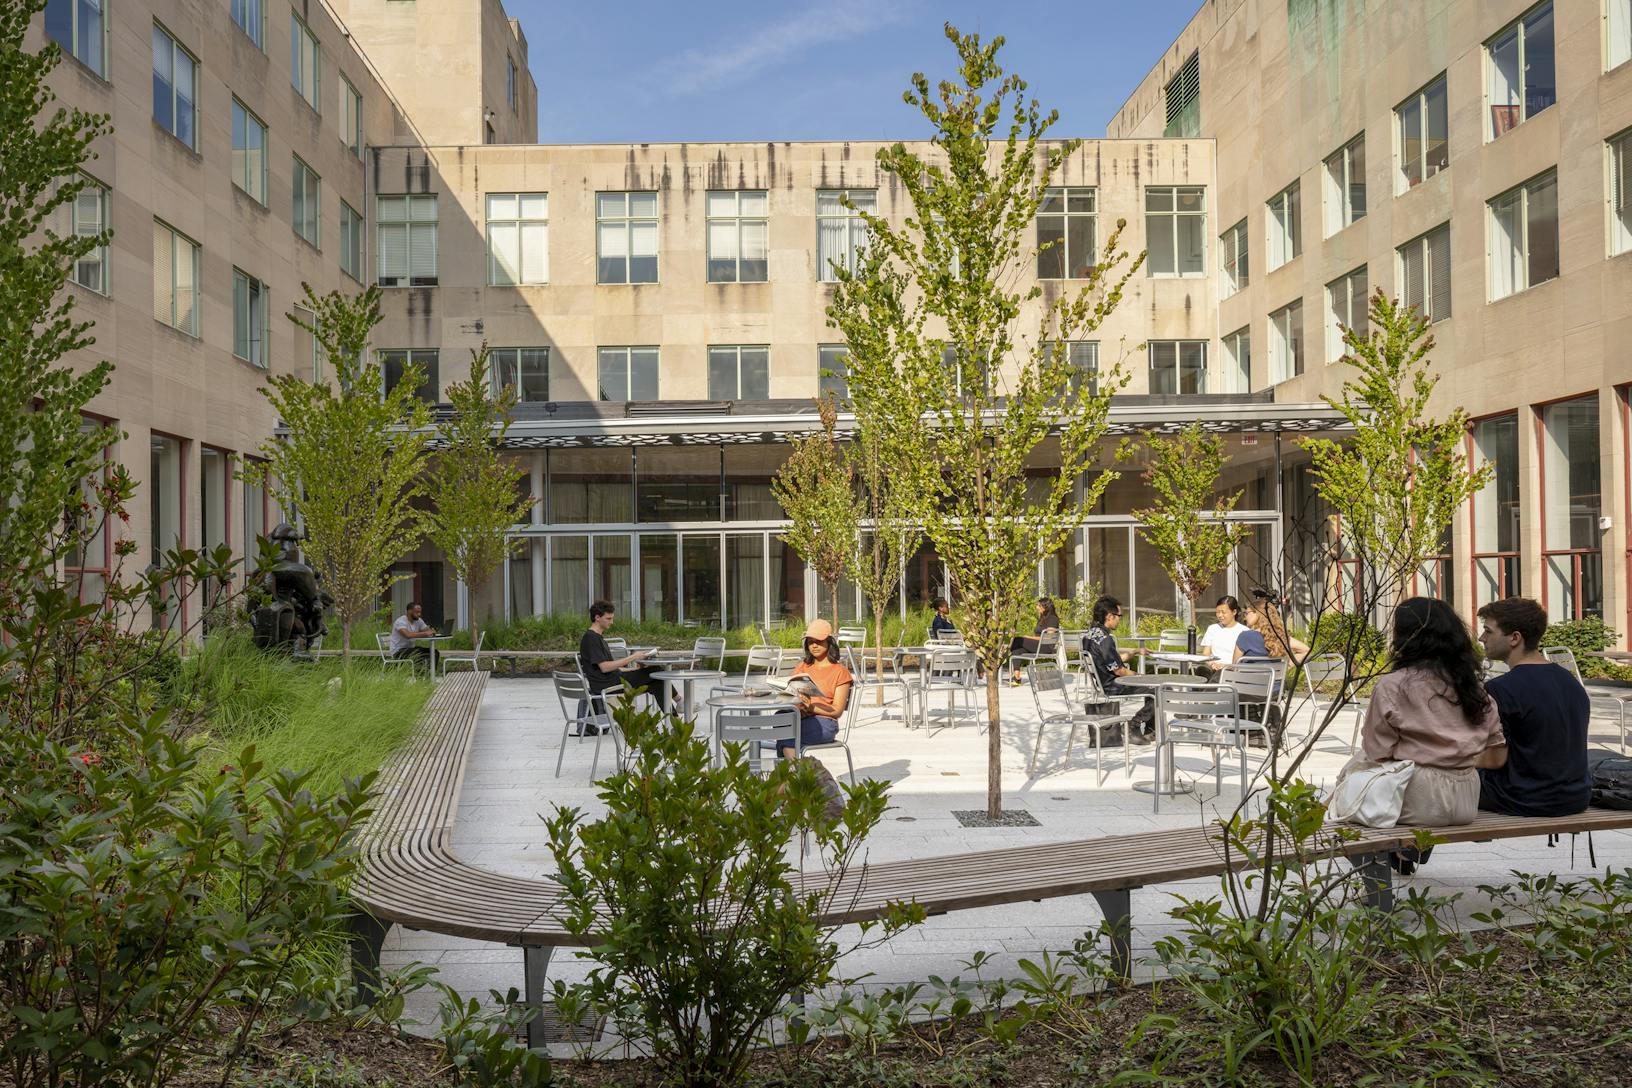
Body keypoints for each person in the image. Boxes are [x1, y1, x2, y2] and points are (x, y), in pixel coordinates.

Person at [1344, 597, 1506, 860]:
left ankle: (1377, 881)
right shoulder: (1473, 688)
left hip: (1422, 799)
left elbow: (1377, 751)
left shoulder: (1394, 686)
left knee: (1353, 783)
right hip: (1466, 797)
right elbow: (1494, 743)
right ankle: (1405, 854)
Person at [1475, 596, 1592, 817]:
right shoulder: (1570, 682)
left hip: (1521, 798)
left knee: (1433, 780)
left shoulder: (1500, 689)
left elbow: (1494, 759)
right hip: (1575, 797)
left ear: (1515, 638)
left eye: (1488, 631)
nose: (1481, 638)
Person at [577, 600, 667, 731]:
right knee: (656, 671)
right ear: (597, 617)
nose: (611, 622)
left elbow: (612, 667)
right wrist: (632, 657)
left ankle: (674, 721)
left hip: (612, 679)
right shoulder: (591, 638)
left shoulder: (597, 637)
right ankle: (680, 702)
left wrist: (634, 669)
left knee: (657, 682)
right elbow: (605, 667)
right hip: (607, 685)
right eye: (608, 618)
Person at [1081, 595, 1155, 743]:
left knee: (1152, 686)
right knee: (1156, 689)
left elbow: (1109, 661)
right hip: (1113, 685)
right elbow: (1119, 671)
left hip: (1102, 683)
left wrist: (1134, 652)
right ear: (1109, 616)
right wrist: (1140, 676)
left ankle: (1150, 731)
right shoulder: (1105, 639)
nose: (1120, 619)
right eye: (1119, 616)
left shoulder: (1090, 635)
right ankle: (1134, 726)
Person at [785, 619, 852, 759]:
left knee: (788, 737)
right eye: (810, 642)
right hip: (800, 717)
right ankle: (793, 774)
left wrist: (810, 707)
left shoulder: (840, 672)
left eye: (819, 641)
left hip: (825, 723)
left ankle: (792, 777)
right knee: (780, 720)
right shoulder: (803, 667)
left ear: (829, 642)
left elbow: (837, 710)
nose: (814, 645)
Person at [1009, 596, 1063, 685]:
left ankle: (1001, 657)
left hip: (1046, 647)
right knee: (1017, 650)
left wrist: (1029, 638)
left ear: (1045, 607)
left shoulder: (1053, 619)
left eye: (1039, 605)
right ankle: (1017, 677)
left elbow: (1048, 638)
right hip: (1038, 645)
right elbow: (1037, 635)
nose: (1037, 607)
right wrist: (1030, 638)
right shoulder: (1042, 619)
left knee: (1017, 640)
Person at [1197, 595, 1248, 677]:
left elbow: (1245, 658)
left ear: (1234, 612)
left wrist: (1225, 666)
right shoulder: (1212, 629)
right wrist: (1212, 664)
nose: (1220, 615)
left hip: (1233, 670)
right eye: (1217, 612)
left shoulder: (1244, 631)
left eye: (1223, 612)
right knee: (1202, 670)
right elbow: (1206, 653)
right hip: (1212, 668)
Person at [389, 602, 437, 670]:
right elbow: (407, 635)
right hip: (398, 651)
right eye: (417, 612)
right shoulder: (400, 621)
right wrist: (426, 633)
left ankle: (430, 675)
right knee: (419, 654)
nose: (419, 614)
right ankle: (419, 676)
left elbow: (426, 630)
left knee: (434, 652)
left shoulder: (418, 620)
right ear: (409, 611)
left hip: (410, 649)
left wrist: (431, 631)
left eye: (420, 612)